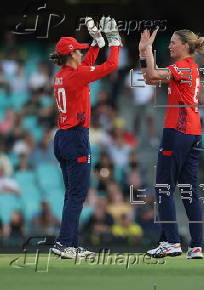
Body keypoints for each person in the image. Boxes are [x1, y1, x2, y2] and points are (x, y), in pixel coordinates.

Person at [49, 16, 121, 259]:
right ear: (71, 55)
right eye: (78, 51)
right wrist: (114, 42)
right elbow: (110, 67)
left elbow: (86, 65)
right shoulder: (74, 75)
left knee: (73, 195)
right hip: (76, 137)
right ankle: (64, 244)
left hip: (63, 137)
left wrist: (96, 45)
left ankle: (71, 243)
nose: (81, 54)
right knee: (77, 195)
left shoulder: (64, 74)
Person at [138, 28, 204, 259]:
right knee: (189, 189)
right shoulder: (189, 67)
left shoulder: (180, 67)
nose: (169, 46)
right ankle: (197, 245)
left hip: (176, 131)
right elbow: (150, 78)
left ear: (185, 46)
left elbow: (150, 74)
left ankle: (171, 242)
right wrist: (144, 54)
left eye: (172, 43)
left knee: (163, 187)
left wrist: (146, 50)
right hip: (193, 132)